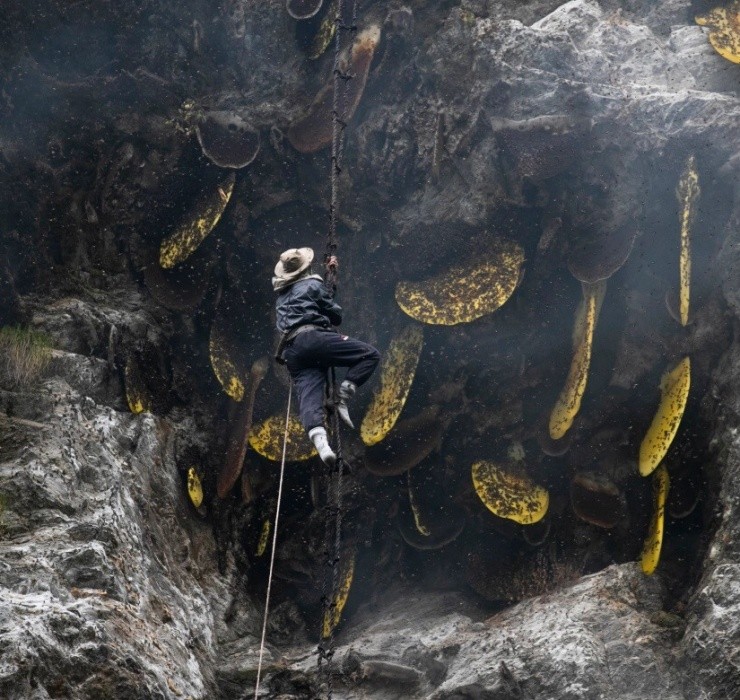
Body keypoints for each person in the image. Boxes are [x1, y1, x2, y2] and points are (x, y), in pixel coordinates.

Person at [273, 247, 380, 466]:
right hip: (314, 339)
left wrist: (328, 281)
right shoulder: (312, 285)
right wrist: (328, 284)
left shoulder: (281, 299)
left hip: (292, 351)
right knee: (369, 355)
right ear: (306, 267)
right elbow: (336, 315)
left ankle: (322, 446)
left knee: (310, 395)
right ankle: (343, 396)